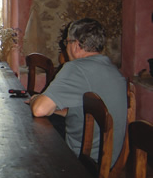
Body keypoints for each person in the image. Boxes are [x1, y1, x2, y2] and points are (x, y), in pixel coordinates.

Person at [29, 18, 127, 166]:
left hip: (83, 162)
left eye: (66, 42)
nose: (66, 47)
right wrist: (56, 110)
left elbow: (39, 109)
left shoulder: (75, 68)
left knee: (31, 139)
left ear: (75, 44)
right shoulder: (113, 70)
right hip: (107, 160)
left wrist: (35, 98)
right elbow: (84, 111)